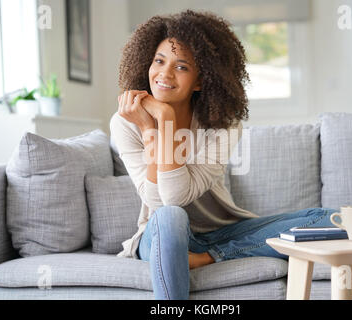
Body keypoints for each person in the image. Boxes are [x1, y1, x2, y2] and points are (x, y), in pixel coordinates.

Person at [110, 9, 337, 300]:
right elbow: (163, 202)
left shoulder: (222, 125)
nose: (164, 73)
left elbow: (178, 194)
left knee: (330, 219)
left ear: (200, 81)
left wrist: (163, 120)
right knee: (170, 217)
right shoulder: (125, 122)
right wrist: (153, 127)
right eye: (159, 60)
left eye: (181, 67)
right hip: (160, 234)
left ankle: (209, 257)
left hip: (222, 233)